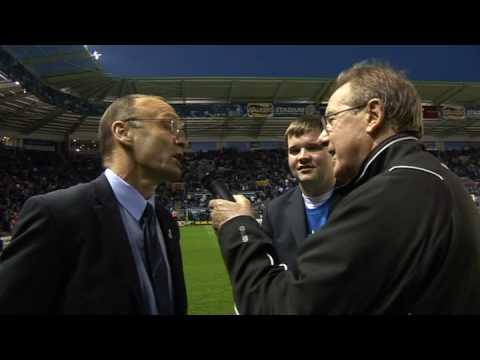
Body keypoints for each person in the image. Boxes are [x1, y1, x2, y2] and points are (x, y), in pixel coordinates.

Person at [209, 61, 480, 314]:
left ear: (372, 115)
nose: (325, 137)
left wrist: (239, 226)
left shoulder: (393, 192)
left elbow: (282, 305)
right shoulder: (434, 177)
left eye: (331, 120)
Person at [0, 94, 188, 314]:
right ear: (123, 132)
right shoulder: (57, 214)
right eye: (169, 125)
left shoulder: (165, 221)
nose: (182, 140)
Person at [262, 116, 341, 275]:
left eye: (312, 147)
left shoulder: (359, 198)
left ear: (332, 150)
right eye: (294, 150)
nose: (302, 156)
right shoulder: (274, 211)